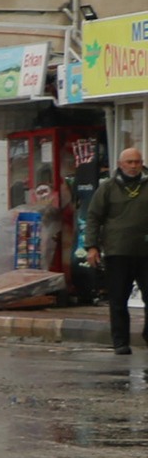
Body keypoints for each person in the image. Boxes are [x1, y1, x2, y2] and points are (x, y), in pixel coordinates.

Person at [85, 146, 148, 355]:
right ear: (121, 164)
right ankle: (120, 341)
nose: (133, 166)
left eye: (137, 162)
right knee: (118, 300)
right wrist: (92, 246)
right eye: (129, 162)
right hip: (117, 252)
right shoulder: (108, 188)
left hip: (145, 252)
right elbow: (93, 217)